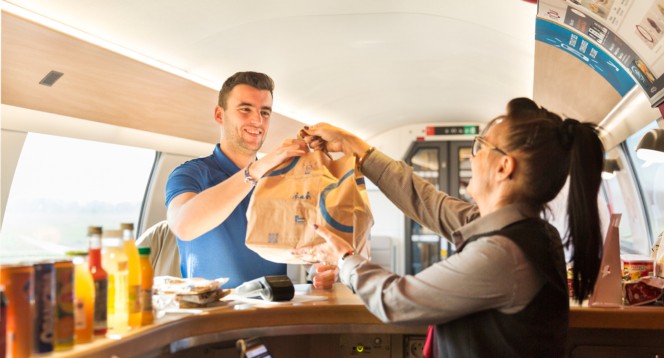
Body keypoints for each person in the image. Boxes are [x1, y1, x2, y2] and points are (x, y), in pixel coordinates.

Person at [297, 98, 604, 357]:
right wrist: (354, 146)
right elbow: (426, 201)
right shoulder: (521, 231)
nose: (474, 155)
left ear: (503, 167)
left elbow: (397, 300)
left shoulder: (504, 255)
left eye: (481, 145)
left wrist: (345, 258)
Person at [165, 71, 337, 289]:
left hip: (272, 311)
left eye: (265, 112)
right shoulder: (190, 173)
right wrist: (255, 171)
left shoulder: (283, 179)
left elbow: (304, 245)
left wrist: (319, 270)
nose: (257, 120)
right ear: (219, 115)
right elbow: (184, 226)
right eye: (245, 109)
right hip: (213, 315)